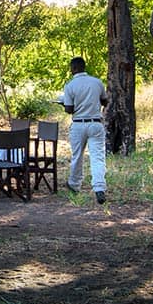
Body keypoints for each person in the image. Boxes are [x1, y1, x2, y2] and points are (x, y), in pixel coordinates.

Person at [58, 56, 109, 204]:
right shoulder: (97, 82)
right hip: (95, 123)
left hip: (79, 123)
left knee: (77, 156)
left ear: (73, 68)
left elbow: (69, 109)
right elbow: (105, 101)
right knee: (98, 157)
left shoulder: (70, 86)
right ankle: (99, 187)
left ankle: (74, 184)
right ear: (84, 67)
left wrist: (64, 104)